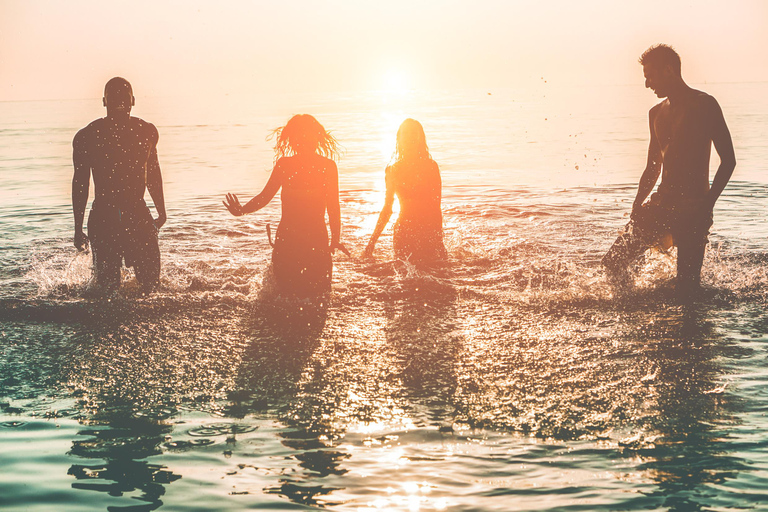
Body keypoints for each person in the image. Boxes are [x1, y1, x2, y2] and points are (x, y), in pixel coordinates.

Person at [602, 44, 736, 299]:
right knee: (613, 263)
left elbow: (728, 161)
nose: (647, 84)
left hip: (694, 209)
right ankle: (634, 308)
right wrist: (637, 204)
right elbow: (653, 166)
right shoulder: (655, 113)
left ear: (668, 70)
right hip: (660, 205)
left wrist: (707, 205)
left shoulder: (704, 104)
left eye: (650, 76)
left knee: (687, 291)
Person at [223, 114, 348, 298]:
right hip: (299, 239)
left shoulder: (319, 166)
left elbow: (333, 207)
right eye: (300, 137)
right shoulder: (297, 165)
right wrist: (242, 211)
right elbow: (265, 197)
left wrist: (335, 239)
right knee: (313, 297)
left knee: (293, 296)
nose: (304, 141)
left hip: (305, 240)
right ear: (294, 140)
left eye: (307, 136)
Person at [72, 77, 167, 294]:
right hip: (106, 215)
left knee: (151, 286)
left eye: (123, 97)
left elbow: (153, 174)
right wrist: (78, 228)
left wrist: (162, 212)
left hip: (134, 213)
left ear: (133, 100)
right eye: (114, 97)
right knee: (110, 288)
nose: (119, 102)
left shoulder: (146, 132)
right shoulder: (88, 136)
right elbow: (80, 184)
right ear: (104, 101)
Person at [363, 118, 447, 264]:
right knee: (404, 273)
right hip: (403, 233)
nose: (409, 137)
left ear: (420, 138)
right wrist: (371, 243)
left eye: (413, 133)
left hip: (427, 232)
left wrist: (439, 242)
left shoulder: (431, 167)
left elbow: (436, 207)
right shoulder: (392, 170)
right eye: (406, 133)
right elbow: (387, 209)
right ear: (399, 138)